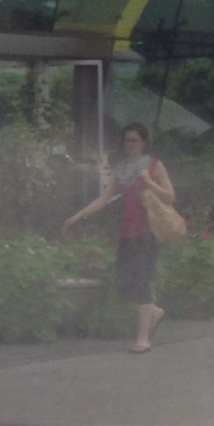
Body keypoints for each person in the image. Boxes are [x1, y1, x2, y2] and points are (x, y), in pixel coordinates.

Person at [64, 121, 177, 352]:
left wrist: (149, 182)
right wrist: (81, 214)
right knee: (124, 284)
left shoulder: (154, 166)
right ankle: (154, 312)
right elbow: (104, 198)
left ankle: (143, 339)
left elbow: (170, 197)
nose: (129, 144)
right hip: (127, 232)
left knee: (142, 282)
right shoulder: (121, 169)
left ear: (143, 143)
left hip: (148, 232)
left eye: (134, 140)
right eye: (126, 140)